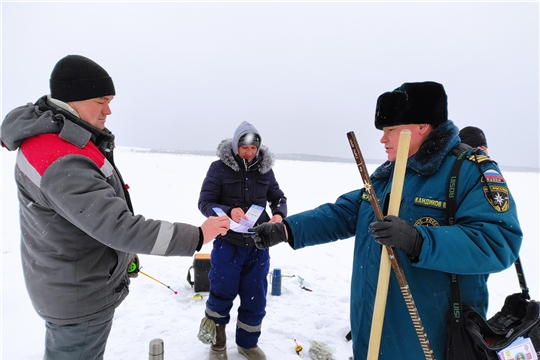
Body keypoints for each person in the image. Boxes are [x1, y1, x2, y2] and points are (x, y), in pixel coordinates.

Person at [249, 81, 522, 360]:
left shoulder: (467, 171)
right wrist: (286, 229)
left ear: (422, 126)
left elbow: (498, 242)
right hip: (373, 334)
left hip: (430, 340)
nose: (382, 139)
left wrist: (419, 242)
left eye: (390, 130)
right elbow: (345, 212)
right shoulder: (388, 175)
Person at [0, 54, 230, 360]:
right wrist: (198, 236)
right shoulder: (60, 158)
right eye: (100, 100)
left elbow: (87, 220)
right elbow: (118, 226)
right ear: (73, 98)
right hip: (77, 300)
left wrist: (121, 257)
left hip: (66, 282)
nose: (108, 110)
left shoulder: (56, 139)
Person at [197, 121, 287, 360]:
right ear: (236, 145)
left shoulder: (266, 171)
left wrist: (278, 215)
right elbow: (205, 202)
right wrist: (229, 211)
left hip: (259, 245)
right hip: (228, 244)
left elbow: (278, 197)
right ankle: (218, 344)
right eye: (245, 147)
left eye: (253, 147)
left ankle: (248, 344)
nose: (249, 152)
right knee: (221, 294)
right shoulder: (218, 169)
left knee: (255, 296)